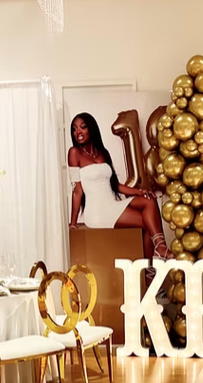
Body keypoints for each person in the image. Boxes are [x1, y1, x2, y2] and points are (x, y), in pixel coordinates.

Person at [67, 112, 171, 269]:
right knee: (149, 224)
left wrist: (139, 192)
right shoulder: (74, 153)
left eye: (83, 127)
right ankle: (153, 265)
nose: (78, 132)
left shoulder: (103, 153)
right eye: (74, 129)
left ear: (91, 129)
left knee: (149, 199)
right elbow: (77, 191)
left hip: (112, 204)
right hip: (98, 212)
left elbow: (115, 185)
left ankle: (159, 249)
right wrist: (73, 223)